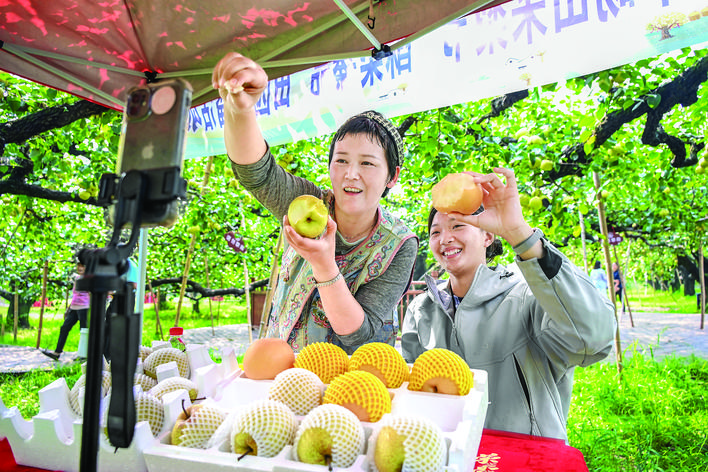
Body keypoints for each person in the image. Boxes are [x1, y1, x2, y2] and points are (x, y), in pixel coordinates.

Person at [212, 53, 418, 354]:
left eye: (367, 163)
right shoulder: (309, 203)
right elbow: (257, 173)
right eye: (342, 160)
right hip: (286, 368)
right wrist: (240, 109)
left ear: (392, 176)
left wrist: (324, 265)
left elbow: (359, 334)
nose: (351, 174)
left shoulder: (399, 245)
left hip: (351, 377)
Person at [401, 167, 615, 442]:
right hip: (448, 454)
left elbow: (593, 340)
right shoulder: (422, 310)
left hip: (525, 457)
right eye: (435, 232)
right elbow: (412, 390)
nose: (445, 239)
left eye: (457, 225)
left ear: (487, 236)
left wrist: (519, 233)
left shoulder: (528, 297)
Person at [41, 262, 89, 361]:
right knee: (64, 327)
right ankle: (57, 352)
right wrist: (68, 308)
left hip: (84, 307)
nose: (80, 268)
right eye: (78, 266)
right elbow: (75, 295)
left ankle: (84, 355)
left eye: (82, 266)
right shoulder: (77, 278)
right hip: (74, 307)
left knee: (84, 331)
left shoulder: (89, 279)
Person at [104, 257, 139, 361]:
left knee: (119, 325)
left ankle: (114, 355)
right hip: (117, 298)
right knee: (109, 323)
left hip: (126, 298)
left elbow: (133, 285)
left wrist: (113, 290)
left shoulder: (129, 265)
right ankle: (107, 355)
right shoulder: (118, 264)